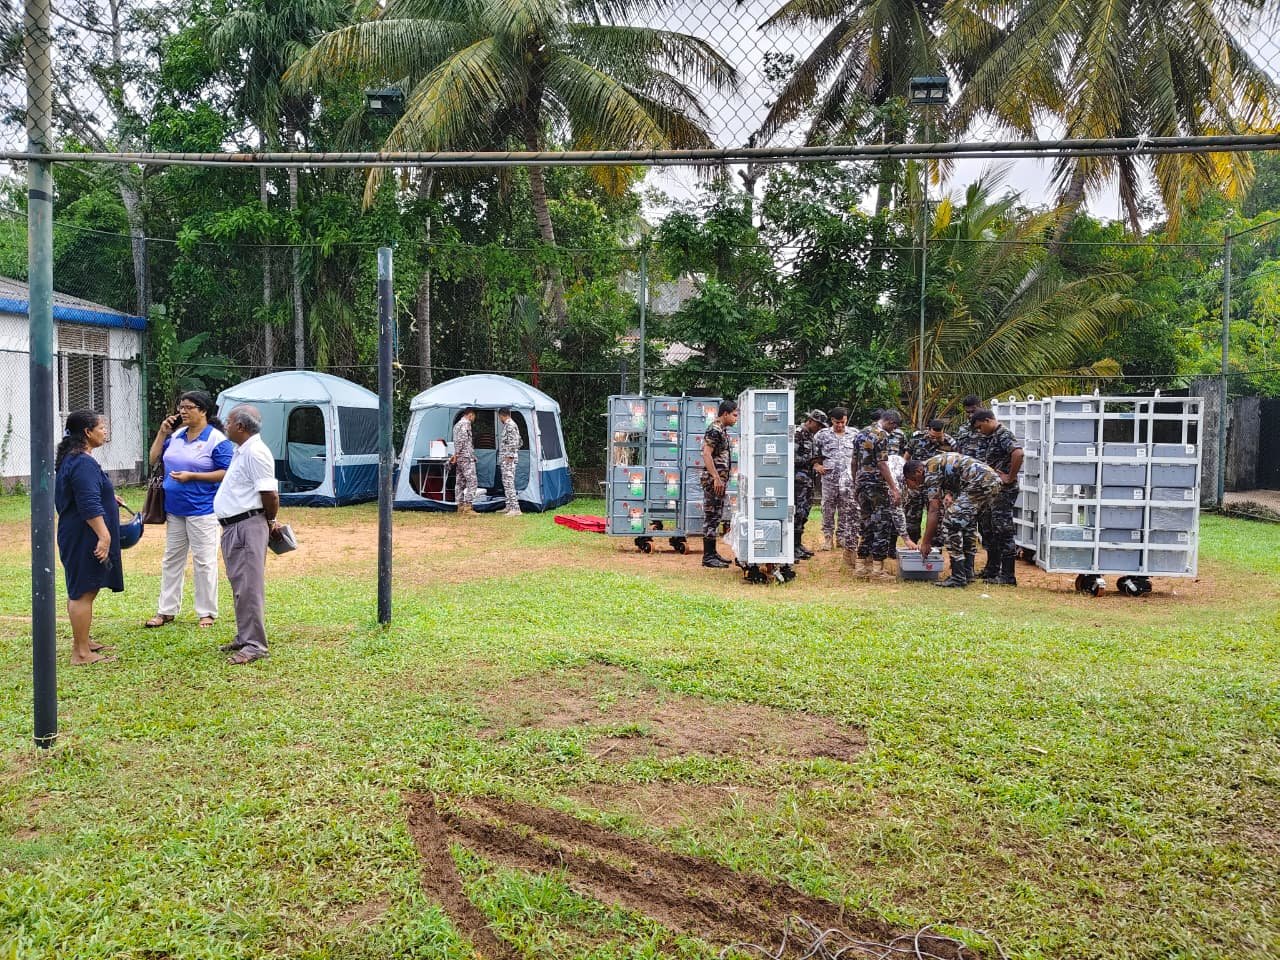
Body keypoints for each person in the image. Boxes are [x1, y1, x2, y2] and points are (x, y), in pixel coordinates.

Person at [144, 391, 234, 630]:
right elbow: (154, 459)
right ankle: (166, 610)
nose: (182, 411)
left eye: (188, 407)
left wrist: (194, 476)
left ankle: (206, 613)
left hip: (203, 510)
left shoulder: (216, 440)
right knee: (171, 560)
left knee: (204, 562)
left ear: (203, 410)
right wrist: (162, 432)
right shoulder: (176, 436)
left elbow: (228, 472)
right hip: (174, 510)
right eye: (181, 407)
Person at [213, 405, 282, 665]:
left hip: (246, 526)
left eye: (229, 421)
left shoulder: (256, 452)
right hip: (235, 526)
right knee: (240, 583)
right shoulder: (242, 451)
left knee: (249, 586)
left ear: (240, 427)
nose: (226, 425)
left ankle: (255, 645)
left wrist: (271, 520)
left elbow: (270, 493)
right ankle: (245, 636)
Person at [55, 410, 124, 665]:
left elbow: (83, 493)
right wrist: (104, 535)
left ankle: (84, 640)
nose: (105, 431)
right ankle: (81, 653)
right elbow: (87, 503)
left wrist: (109, 498)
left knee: (84, 589)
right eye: (102, 427)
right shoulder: (82, 462)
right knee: (83, 592)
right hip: (85, 535)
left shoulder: (74, 459)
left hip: (77, 532)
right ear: (87, 432)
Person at [903, 453, 1003, 589]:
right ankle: (967, 572)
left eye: (913, 480)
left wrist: (926, 542)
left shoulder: (930, 471)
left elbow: (933, 509)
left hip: (980, 483)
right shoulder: (933, 465)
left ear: (918, 472)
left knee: (950, 523)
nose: (916, 484)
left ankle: (958, 577)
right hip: (989, 482)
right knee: (966, 524)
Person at [850, 409, 903, 579]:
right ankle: (877, 569)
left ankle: (860, 566)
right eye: (893, 427)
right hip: (876, 486)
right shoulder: (882, 436)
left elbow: (853, 461)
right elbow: (882, 464)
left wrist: (855, 481)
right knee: (882, 524)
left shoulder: (861, 433)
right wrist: (893, 487)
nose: (893, 431)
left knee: (866, 523)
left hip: (861, 484)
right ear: (890, 422)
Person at [973, 409, 1024, 586]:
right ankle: (992, 570)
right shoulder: (992, 436)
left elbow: (1018, 453)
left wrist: (1010, 477)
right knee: (988, 529)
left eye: (980, 427)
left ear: (988, 420)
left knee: (1003, 531)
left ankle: (1008, 576)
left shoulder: (1004, 434)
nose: (980, 431)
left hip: (1003, 491)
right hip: (992, 491)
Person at [700, 399, 739, 569]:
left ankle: (712, 552)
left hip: (720, 481)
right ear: (725, 414)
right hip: (713, 481)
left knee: (716, 516)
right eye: (734, 415)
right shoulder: (714, 430)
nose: (736, 418)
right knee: (711, 516)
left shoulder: (722, 430)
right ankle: (708, 556)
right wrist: (715, 477)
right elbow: (707, 454)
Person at [902, 419, 956, 542]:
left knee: (937, 517)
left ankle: (935, 548)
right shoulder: (917, 439)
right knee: (911, 518)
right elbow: (906, 458)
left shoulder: (950, 443)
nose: (935, 439)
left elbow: (954, 466)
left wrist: (948, 490)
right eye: (932, 436)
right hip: (916, 484)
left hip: (937, 486)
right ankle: (912, 546)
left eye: (938, 437)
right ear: (928, 429)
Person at [813, 407, 857, 551]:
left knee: (846, 508)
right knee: (827, 508)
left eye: (843, 422)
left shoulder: (854, 434)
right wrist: (816, 465)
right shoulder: (822, 435)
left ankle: (841, 537)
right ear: (832, 421)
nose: (840, 425)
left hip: (848, 480)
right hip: (829, 478)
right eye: (837, 422)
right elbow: (813, 453)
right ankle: (827, 538)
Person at [792, 409, 827, 560]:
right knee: (797, 513)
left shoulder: (811, 436)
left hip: (807, 481)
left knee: (804, 513)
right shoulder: (797, 433)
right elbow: (791, 457)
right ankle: (792, 546)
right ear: (810, 421)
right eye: (818, 425)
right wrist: (811, 463)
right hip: (798, 481)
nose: (819, 429)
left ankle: (798, 544)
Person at [451, 408, 478, 515]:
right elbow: (462, 441)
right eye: (474, 416)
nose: (474, 419)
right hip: (465, 458)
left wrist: (456, 455)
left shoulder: (457, 424)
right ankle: (468, 507)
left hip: (461, 457)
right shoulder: (465, 424)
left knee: (460, 482)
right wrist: (457, 454)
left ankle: (460, 506)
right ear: (470, 415)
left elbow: (461, 442)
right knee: (472, 482)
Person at [497, 408, 522, 516]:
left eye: (499, 417)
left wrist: (510, 455)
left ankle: (515, 509)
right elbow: (520, 441)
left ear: (502, 416)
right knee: (506, 483)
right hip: (506, 459)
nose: (499, 419)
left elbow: (515, 441)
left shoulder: (510, 425)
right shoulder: (509, 425)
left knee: (509, 483)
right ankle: (509, 506)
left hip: (509, 460)